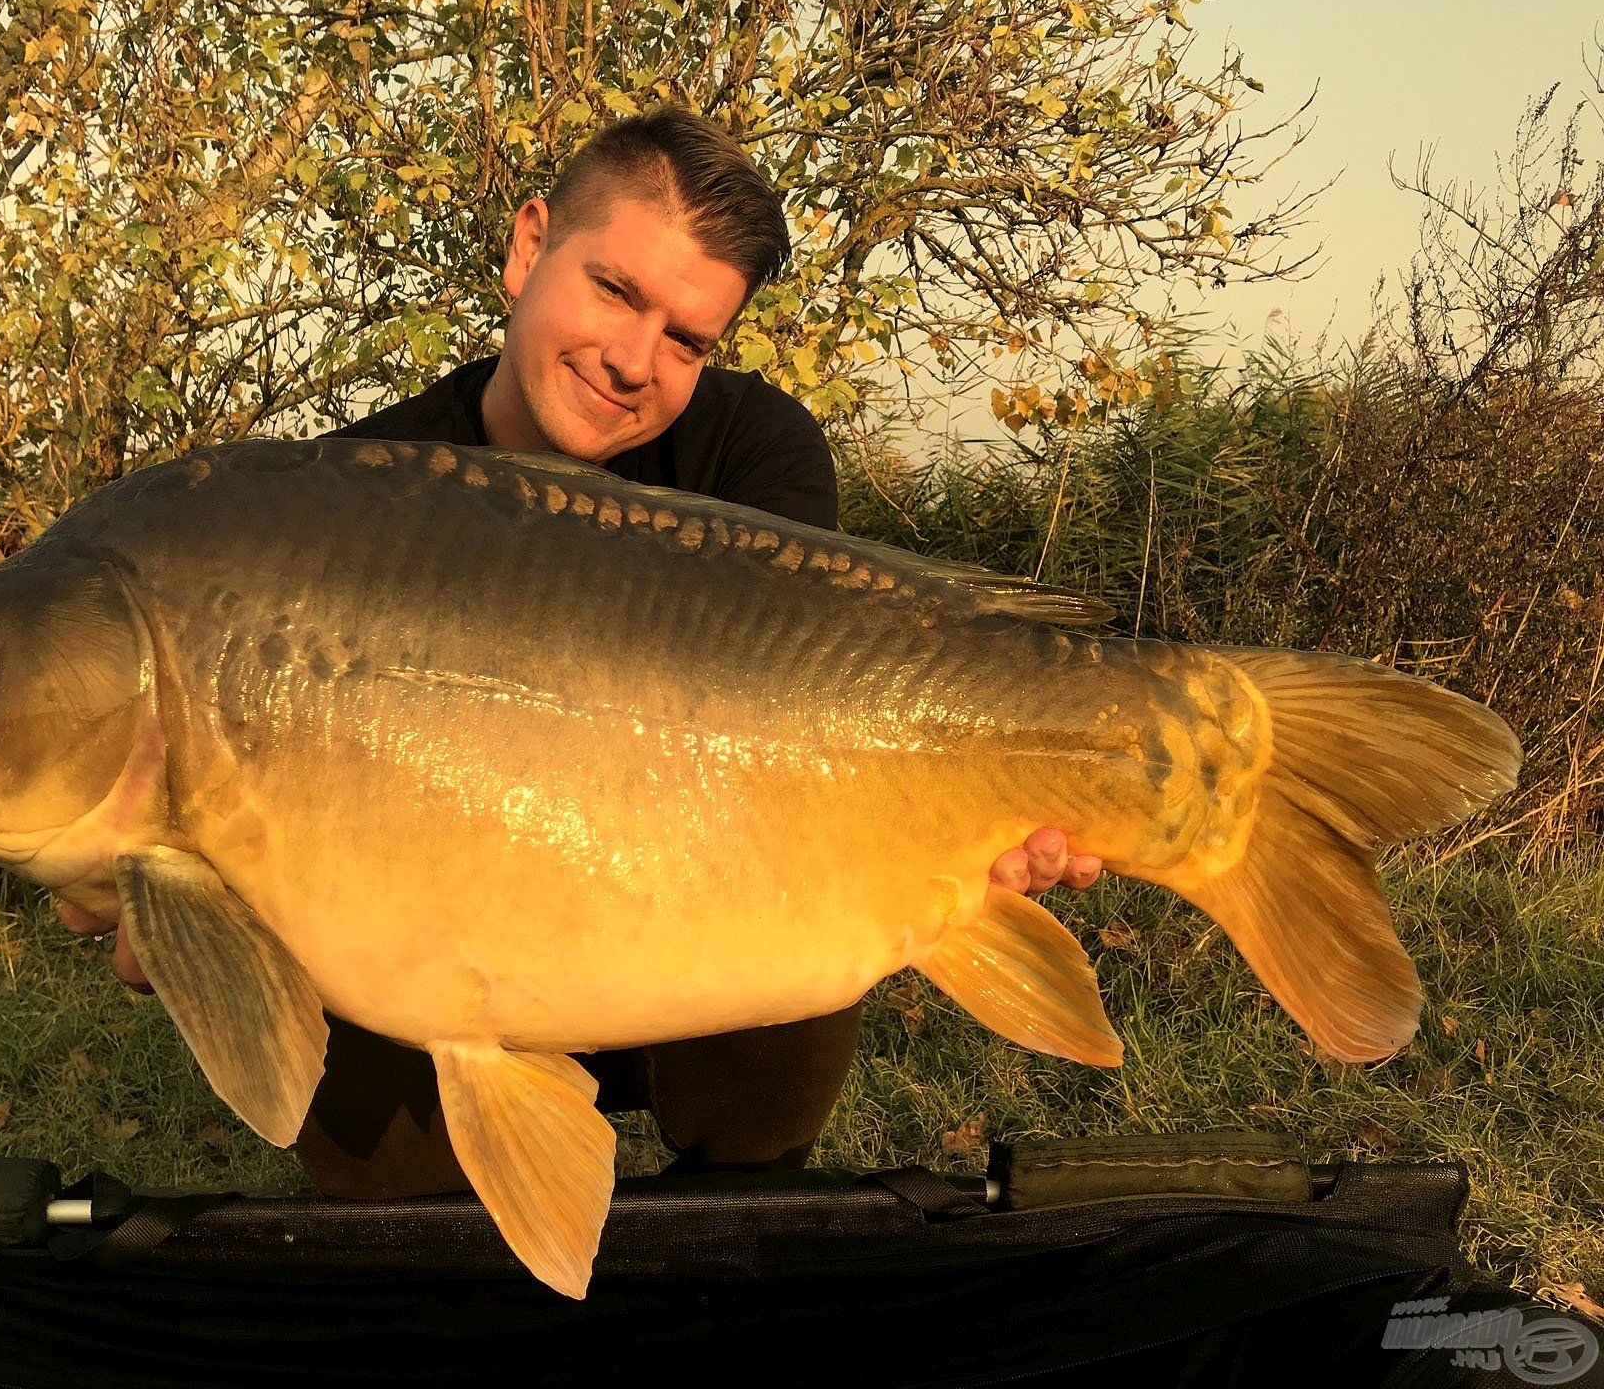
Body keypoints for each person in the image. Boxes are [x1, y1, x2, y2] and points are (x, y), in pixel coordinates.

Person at [58, 105, 1104, 1197]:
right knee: (381, 1151)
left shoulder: (754, 451)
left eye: (688, 339)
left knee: (818, 953)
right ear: (528, 245)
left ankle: (726, 1230)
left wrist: (987, 830)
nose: (632, 360)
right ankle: (450, 1246)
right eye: (614, 290)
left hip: (694, 942)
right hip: (433, 966)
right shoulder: (359, 495)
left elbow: (848, 718)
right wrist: (181, 920)